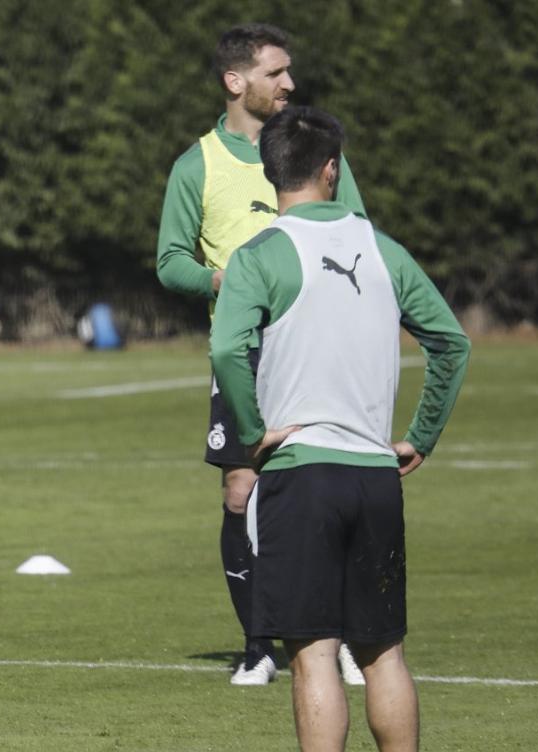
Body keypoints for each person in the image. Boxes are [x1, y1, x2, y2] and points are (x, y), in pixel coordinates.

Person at [210, 105, 469, 751]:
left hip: (301, 476)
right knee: (383, 654)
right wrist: (422, 433)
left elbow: (226, 352)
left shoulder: (260, 254)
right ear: (332, 169)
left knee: (314, 657)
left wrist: (252, 431)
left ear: (271, 173)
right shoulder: (383, 250)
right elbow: (451, 344)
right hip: (375, 477)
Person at [155, 22, 368, 685]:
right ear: (235, 81)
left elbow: (357, 233)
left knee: (332, 488)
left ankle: (345, 640)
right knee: (241, 490)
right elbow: (169, 263)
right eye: (277, 72)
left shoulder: (314, 150)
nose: (290, 84)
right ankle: (258, 647)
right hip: (245, 352)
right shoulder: (197, 166)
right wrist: (227, 281)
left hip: (320, 346)